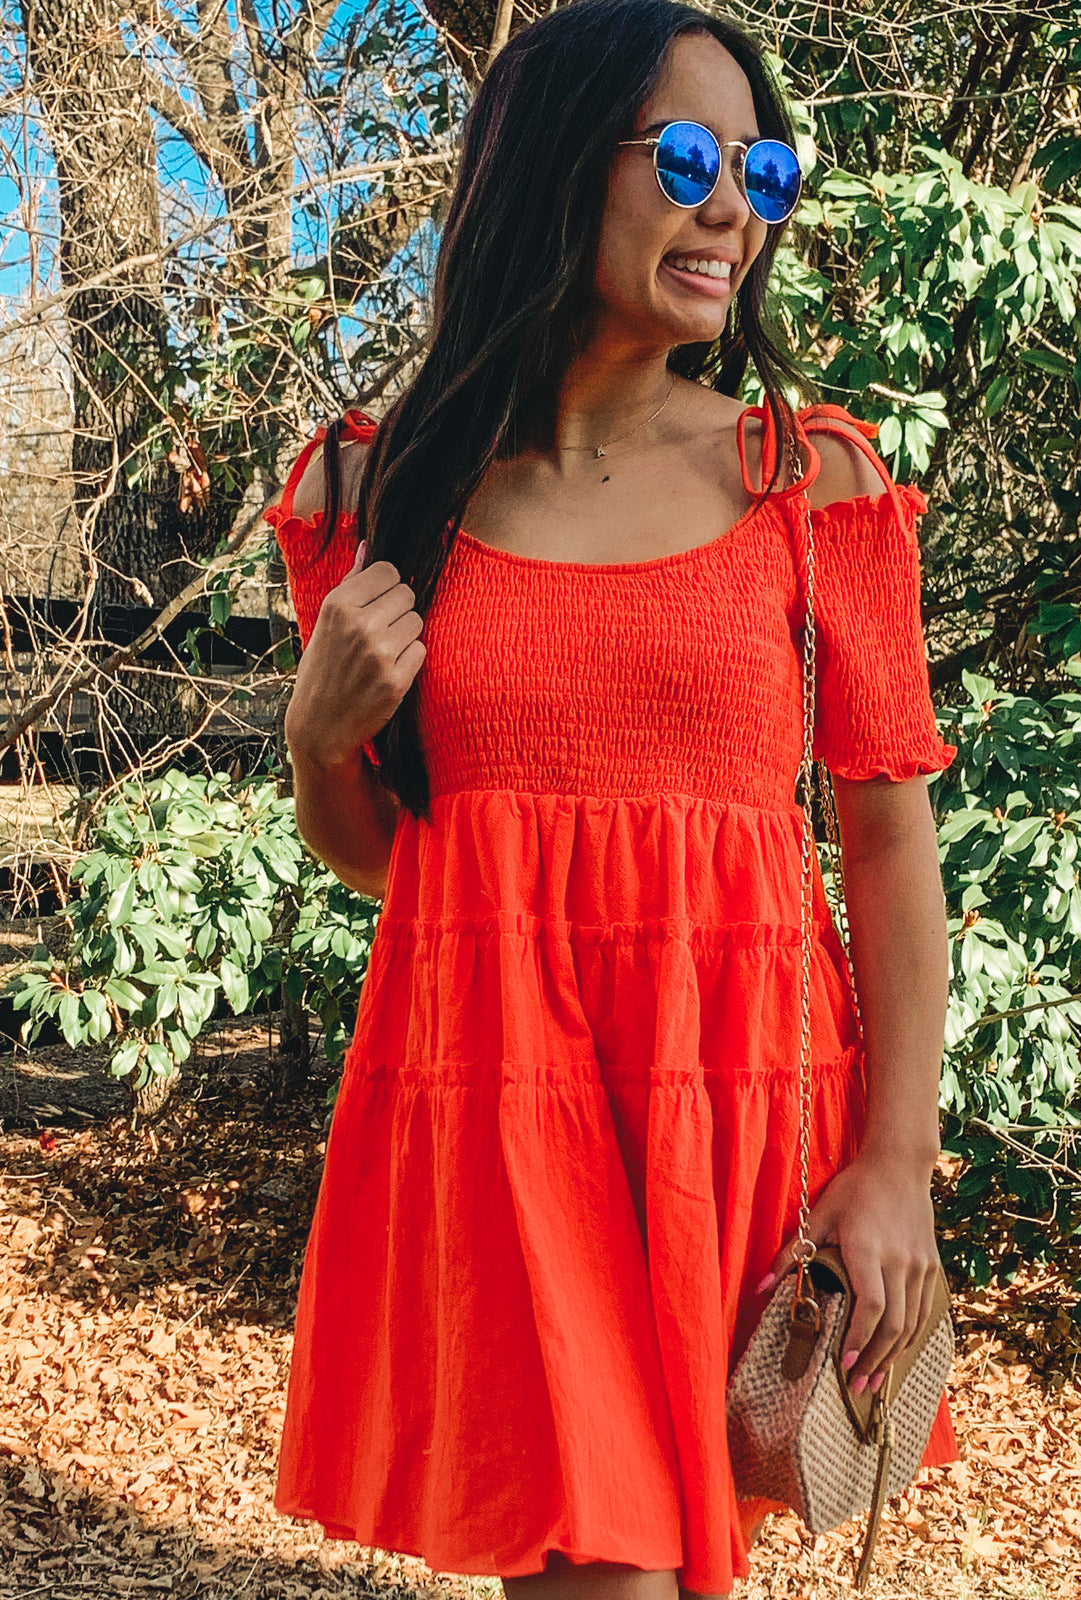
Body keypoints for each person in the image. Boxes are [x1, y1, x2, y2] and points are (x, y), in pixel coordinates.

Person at [263, 2, 960, 1597]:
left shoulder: (810, 481)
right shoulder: (381, 486)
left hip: (732, 1095)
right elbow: (402, 867)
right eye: (694, 162)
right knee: (610, 1570)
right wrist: (316, 745)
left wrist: (894, 1162)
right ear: (552, 166)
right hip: (500, 1101)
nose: (737, 212)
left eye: (763, 170)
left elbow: (889, 841)